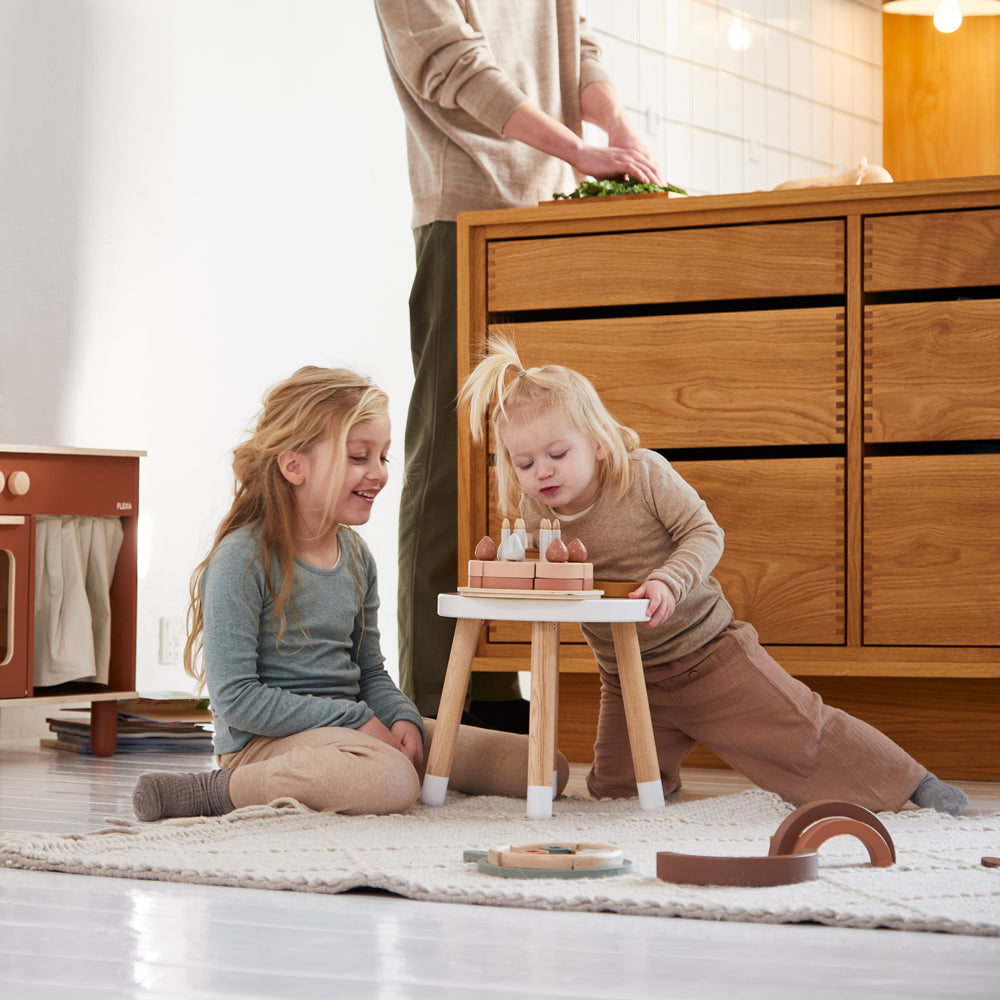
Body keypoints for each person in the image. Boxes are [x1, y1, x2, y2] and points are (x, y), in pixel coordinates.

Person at [457, 339, 968, 815]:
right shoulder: (535, 512)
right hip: (629, 677)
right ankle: (664, 779)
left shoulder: (645, 475)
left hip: (710, 657)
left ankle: (911, 782)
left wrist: (668, 581)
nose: (542, 472)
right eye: (524, 463)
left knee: (805, 735)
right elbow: (537, 576)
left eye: (557, 455)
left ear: (598, 442)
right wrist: (501, 601)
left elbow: (705, 533)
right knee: (615, 799)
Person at [374, 0, 663, 729]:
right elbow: (452, 65)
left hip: (548, 209)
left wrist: (618, 129)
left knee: (524, 460)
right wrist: (578, 151)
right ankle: (436, 703)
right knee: (450, 462)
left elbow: (576, 46)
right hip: (465, 210)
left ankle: (497, 693)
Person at [132, 366, 567, 821]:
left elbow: (370, 672)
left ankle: (366, 764)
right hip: (265, 744)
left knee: (543, 767)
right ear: (294, 465)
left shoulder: (357, 556)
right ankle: (216, 791)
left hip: (348, 731)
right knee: (391, 779)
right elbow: (237, 700)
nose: (378, 473)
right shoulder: (241, 560)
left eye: (383, 457)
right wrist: (354, 720)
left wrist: (400, 716)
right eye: (359, 457)